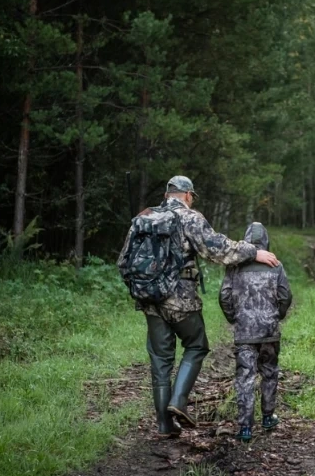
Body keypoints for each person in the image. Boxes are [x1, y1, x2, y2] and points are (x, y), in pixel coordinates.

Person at [117, 176, 281, 436]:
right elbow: (218, 249)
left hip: (149, 302)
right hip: (181, 301)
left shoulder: (143, 218)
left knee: (160, 361)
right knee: (196, 345)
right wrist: (253, 252)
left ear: (166, 194)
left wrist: (142, 289)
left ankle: (164, 425)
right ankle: (178, 401)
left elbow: (123, 262)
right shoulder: (190, 218)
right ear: (188, 195)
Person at [219, 222, 292, 443]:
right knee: (269, 372)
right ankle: (268, 417)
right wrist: (277, 315)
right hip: (269, 331)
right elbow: (285, 295)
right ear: (266, 241)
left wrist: (234, 317)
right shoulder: (275, 265)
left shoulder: (234, 267)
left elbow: (224, 296)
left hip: (245, 332)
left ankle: (245, 428)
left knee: (245, 377)